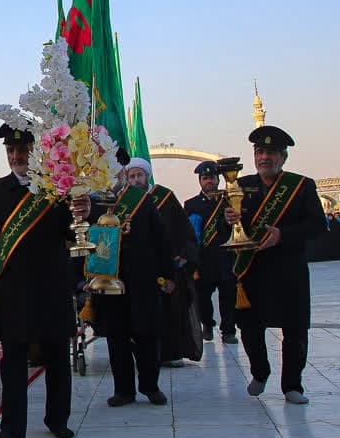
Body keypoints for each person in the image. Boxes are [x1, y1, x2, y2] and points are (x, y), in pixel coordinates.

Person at [0, 121, 77, 438]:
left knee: (57, 354)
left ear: (35, 151)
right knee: (13, 359)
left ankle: (58, 419)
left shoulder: (57, 187)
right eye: (11, 150)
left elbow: (72, 232)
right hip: (12, 289)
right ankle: (13, 428)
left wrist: (81, 209)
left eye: (23, 150)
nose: (17, 156)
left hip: (52, 285)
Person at [226, 125, 326, 404]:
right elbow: (233, 228)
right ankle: (260, 372)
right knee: (249, 327)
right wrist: (229, 219)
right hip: (252, 269)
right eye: (259, 152)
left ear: (283, 157)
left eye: (270, 152)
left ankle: (293, 385)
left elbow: (318, 225)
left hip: (288, 268)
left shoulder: (301, 186)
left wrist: (283, 235)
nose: (264, 158)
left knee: (294, 330)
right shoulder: (241, 185)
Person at [88, 154, 174, 407]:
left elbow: (162, 239)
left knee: (147, 334)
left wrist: (168, 274)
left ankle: (150, 386)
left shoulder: (141, 201)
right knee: (116, 337)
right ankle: (123, 390)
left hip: (142, 280)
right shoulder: (94, 203)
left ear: (121, 173)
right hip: (108, 281)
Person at [124, 158, 199, 367]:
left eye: (139, 175)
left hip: (169, 263)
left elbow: (182, 228)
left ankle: (172, 352)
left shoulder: (164, 196)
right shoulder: (127, 201)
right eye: (132, 176)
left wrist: (183, 254)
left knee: (172, 311)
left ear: (147, 176)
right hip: (142, 267)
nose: (136, 179)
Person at [185, 161, 238, 344]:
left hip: (225, 256)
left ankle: (228, 330)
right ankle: (207, 324)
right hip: (204, 259)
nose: (209, 181)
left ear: (218, 179)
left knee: (228, 295)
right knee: (203, 296)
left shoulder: (229, 200)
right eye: (205, 178)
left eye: (212, 178)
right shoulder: (191, 204)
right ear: (200, 181)